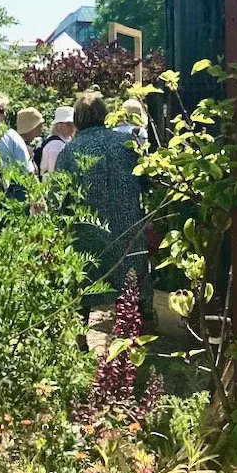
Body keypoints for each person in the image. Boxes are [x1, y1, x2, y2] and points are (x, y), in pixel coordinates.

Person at [55, 91, 152, 329]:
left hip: (88, 232)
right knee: (131, 282)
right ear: (105, 115)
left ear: (77, 119)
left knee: (84, 284)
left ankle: (79, 333)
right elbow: (147, 181)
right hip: (126, 229)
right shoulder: (127, 145)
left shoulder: (69, 151)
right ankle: (142, 322)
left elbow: (59, 196)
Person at [35, 105, 75, 178]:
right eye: (68, 124)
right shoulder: (56, 144)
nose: (72, 127)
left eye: (73, 124)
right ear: (59, 125)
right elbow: (54, 173)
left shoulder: (61, 140)